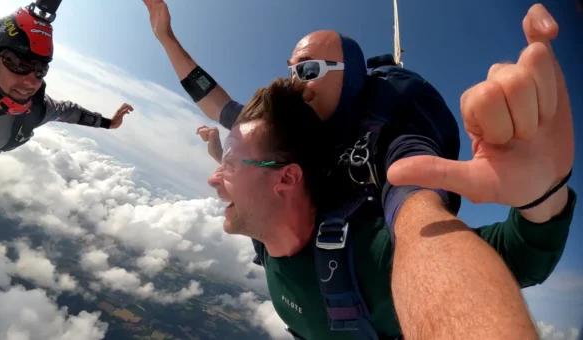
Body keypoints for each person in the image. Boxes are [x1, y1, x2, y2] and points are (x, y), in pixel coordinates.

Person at [144, 1, 575, 338]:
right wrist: (167, 39)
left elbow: (416, 212)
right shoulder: (282, 137)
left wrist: (543, 199)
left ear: (349, 78)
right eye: (291, 70)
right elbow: (217, 102)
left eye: (309, 70)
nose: (295, 82)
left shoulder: (390, 139)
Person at [0, 5, 133, 156]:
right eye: (17, 64)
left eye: (40, 71)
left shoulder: (36, 110)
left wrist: (110, 124)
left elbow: (68, 112)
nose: (32, 82)